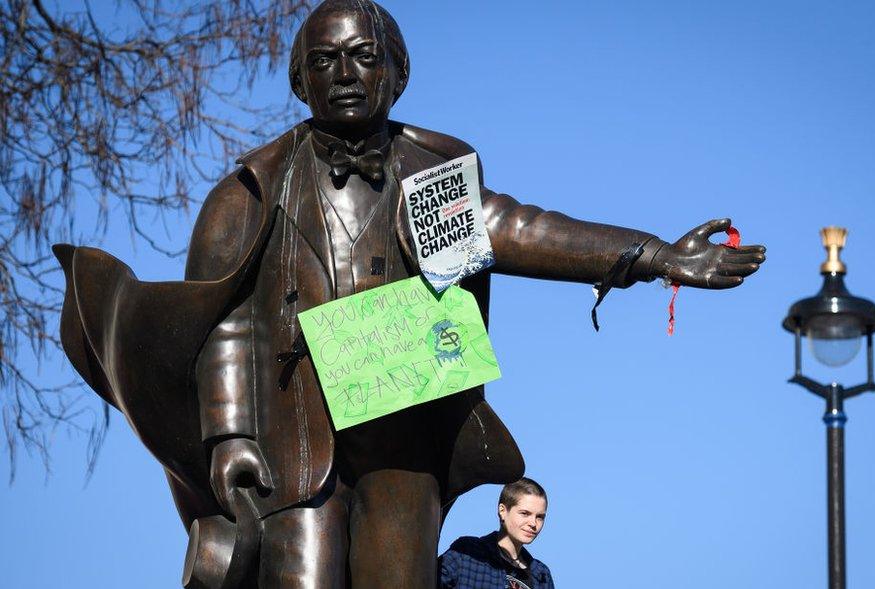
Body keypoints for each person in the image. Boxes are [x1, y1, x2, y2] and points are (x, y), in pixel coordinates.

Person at [55, 1, 766, 587]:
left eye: (363, 55)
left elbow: (519, 228)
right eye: (324, 60)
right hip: (295, 446)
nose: (344, 73)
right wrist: (230, 435)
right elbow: (223, 324)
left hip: (405, 437)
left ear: (397, 73)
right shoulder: (251, 192)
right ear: (299, 81)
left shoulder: (431, 172)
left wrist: (655, 255)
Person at [439, 478, 554, 589]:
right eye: (525, 513)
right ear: (502, 511)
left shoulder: (542, 575)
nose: (533, 523)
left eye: (539, 517)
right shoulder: (467, 553)